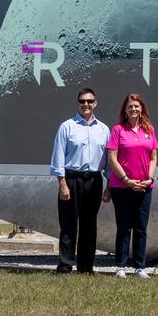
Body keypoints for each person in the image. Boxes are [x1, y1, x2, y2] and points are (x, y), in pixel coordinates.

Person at [49, 86, 110, 274]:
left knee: (89, 224)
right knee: (68, 224)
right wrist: (62, 184)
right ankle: (65, 264)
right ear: (78, 104)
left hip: (94, 181)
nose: (86, 104)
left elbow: (108, 162)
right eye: (82, 101)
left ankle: (86, 267)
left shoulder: (103, 129)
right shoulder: (67, 127)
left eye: (90, 101)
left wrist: (108, 186)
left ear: (95, 103)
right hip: (71, 179)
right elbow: (58, 157)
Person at [105, 92, 158, 277]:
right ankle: (120, 266)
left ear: (141, 108)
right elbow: (112, 158)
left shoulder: (149, 130)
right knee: (124, 227)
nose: (133, 109)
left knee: (141, 228)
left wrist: (150, 178)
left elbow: (153, 157)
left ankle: (139, 267)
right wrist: (126, 180)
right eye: (130, 106)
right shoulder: (118, 130)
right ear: (125, 110)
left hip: (144, 186)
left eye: (136, 106)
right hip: (122, 187)